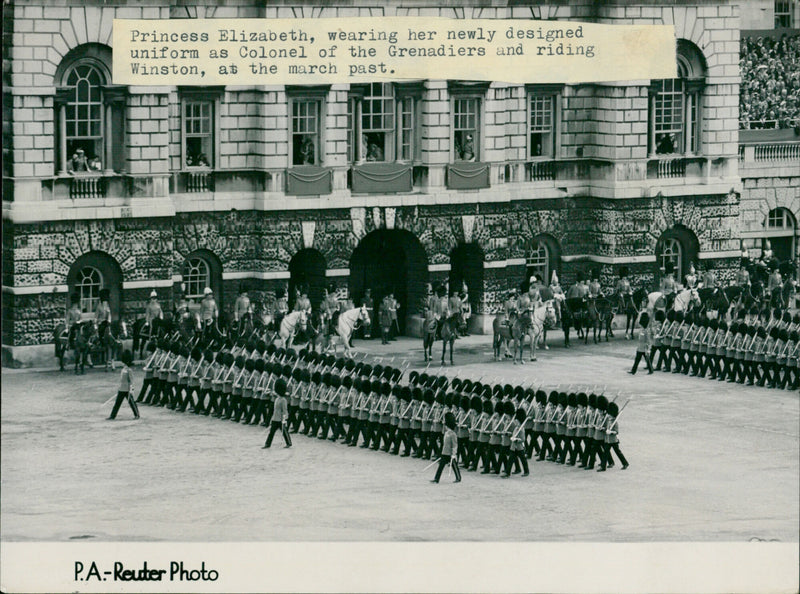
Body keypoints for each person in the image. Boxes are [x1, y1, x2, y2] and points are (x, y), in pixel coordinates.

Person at [107, 350, 140, 420]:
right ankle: (112, 416)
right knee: (117, 404)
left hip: (127, 389)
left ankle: (137, 414)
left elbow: (132, 381)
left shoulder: (129, 370)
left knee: (132, 403)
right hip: (121, 389)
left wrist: (131, 390)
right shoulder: (124, 369)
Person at [597, 401, 628, 471]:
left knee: (618, 452)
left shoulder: (615, 422)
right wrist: (603, 429)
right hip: (607, 440)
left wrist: (610, 432)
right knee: (605, 453)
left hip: (613, 440)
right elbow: (606, 428)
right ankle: (603, 467)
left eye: (610, 414)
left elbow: (616, 432)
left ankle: (625, 463)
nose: (609, 415)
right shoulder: (608, 420)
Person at [431, 412, 461, 484]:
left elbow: (454, 445)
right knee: (440, 466)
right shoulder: (446, 433)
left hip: (450, 453)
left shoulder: (453, 434)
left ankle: (458, 477)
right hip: (445, 452)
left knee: (454, 466)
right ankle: (436, 479)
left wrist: (454, 454)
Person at [263, 378, 292, 449]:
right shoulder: (276, 399)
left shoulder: (283, 400)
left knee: (285, 432)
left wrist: (285, 420)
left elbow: (285, 411)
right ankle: (267, 444)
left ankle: (289, 443)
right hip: (275, 418)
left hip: (281, 419)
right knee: (271, 433)